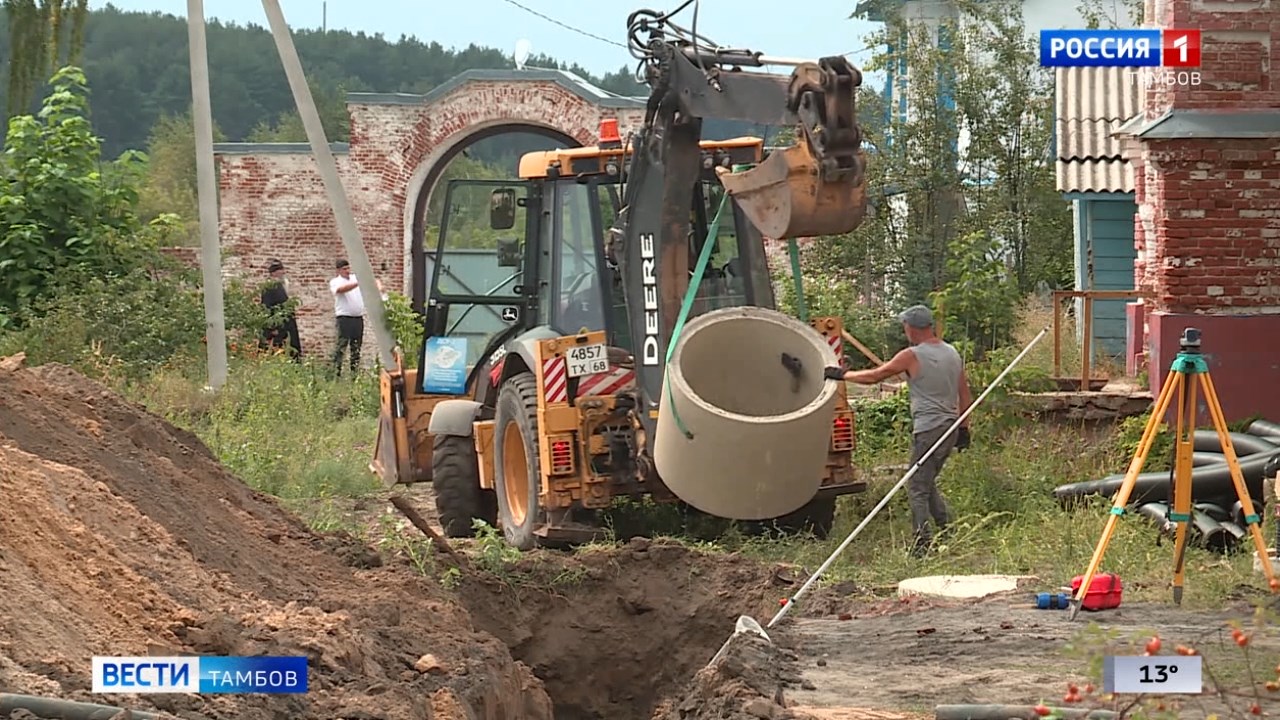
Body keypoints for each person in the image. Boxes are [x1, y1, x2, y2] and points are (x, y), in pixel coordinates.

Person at [824, 305, 973, 557]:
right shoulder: (952, 353)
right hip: (950, 427)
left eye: (904, 326)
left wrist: (842, 375)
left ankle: (921, 546)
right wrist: (965, 427)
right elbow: (965, 394)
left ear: (910, 327)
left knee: (915, 486)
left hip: (928, 429)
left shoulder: (911, 355)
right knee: (926, 480)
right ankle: (948, 530)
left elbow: (876, 376)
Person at [260, 259, 302, 361]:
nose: (283, 272)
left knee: (291, 350)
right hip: (278, 327)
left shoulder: (282, 285)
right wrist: (271, 327)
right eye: (280, 270)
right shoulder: (269, 287)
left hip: (287, 325)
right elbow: (266, 307)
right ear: (274, 272)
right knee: (276, 351)